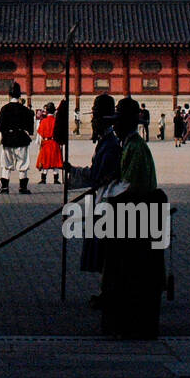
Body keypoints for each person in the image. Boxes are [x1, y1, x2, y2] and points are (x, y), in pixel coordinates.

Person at [99, 96, 165, 339]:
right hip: (133, 218)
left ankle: (130, 324)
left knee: (132, 275)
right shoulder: (129, 145)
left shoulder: (136, 148)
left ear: (129, 123)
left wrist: (108, 192)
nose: (115, 126)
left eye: (119, 122)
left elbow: (130, 187)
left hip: (136, 221)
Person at [80, 93, 121, 301]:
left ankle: (109, 293)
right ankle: (107, 292)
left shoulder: (111, 145)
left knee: (109, 251)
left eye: (94, 118)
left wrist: (80, 175)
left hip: (110, 203)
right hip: (103, 199)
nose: (92, 122)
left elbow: (100, 175)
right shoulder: (106, 141)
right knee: (105, 251)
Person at [0, 82, 35, 194]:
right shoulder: (25, 110)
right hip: (21, 138)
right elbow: (30, 127)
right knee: (23, 163)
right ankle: (23, 187)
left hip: (8, 138)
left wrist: (0, 141)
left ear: (9, 95)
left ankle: (5, 187)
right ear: (19, 95)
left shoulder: (4, 109)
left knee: (6, 164)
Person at [35, 102, 62, 185]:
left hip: (46, 143)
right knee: (55, 161)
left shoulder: (43, 121)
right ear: (54, 111)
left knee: (45, 160)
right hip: (55, 142)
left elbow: (39, 135)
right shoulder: (57, 121)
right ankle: (56, 179)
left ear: (46, 111)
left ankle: (43, 179)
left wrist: (39, 144)